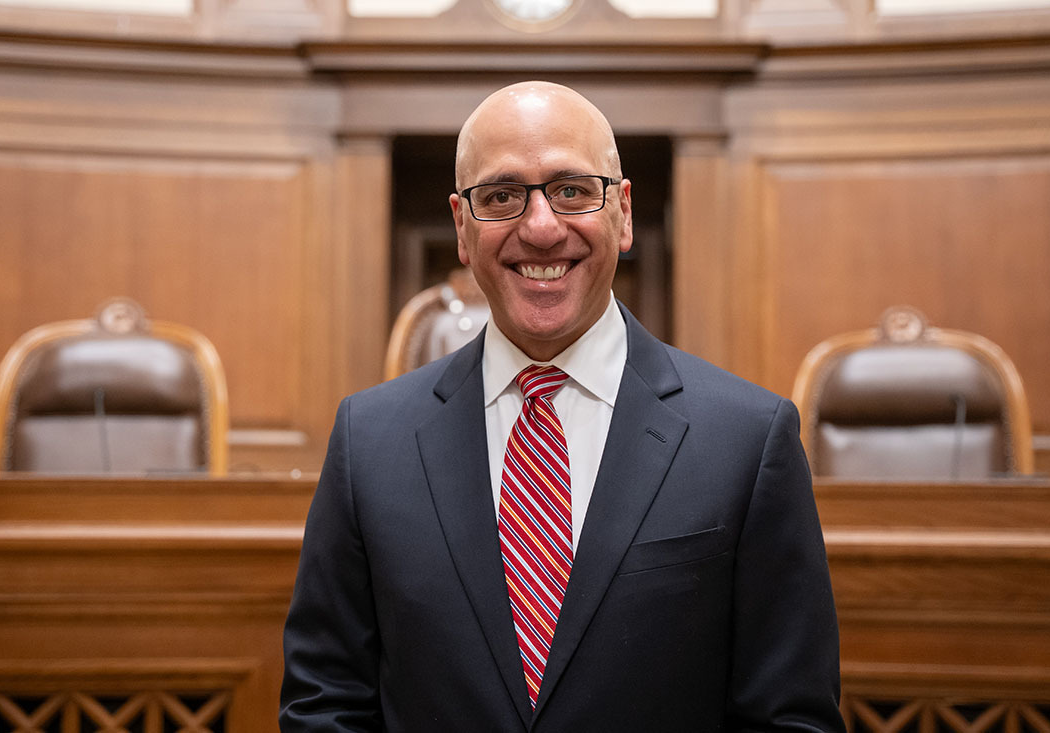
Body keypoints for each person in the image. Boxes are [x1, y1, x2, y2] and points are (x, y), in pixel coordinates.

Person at [280, 81, 845, 732]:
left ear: (623, 212)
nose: (541, 227)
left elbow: (791, 719)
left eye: (572, 190)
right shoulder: (368, 441)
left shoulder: (748, 440)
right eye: (501, 196)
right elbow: (324, 704)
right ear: (462, 226)